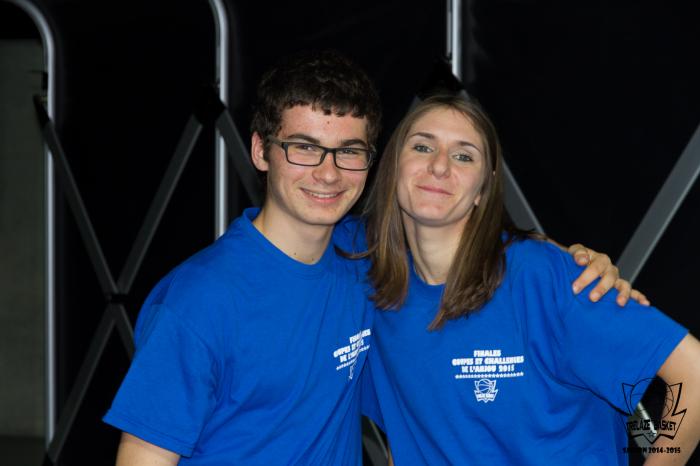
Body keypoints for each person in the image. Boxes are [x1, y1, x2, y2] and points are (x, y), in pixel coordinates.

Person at [103, 51, 636, 465]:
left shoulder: (364, 256)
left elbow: (458, 240)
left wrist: (567, 258)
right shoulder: (199, 301)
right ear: (262, 151)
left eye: (349, 152)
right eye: (304, 147)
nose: (328, 172)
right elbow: (144, 455)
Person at [359, 94, 700, 465]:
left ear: (484, 188)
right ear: (392, 166)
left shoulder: (546, 277)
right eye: (423, 147)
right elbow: (408, 435)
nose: (439, 165)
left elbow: (694, 375)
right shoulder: (373, 291)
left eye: (464, 156)